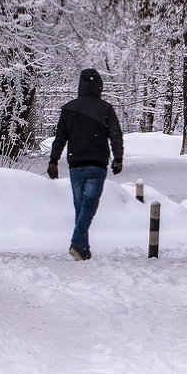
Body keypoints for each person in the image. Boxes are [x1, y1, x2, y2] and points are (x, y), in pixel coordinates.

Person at [47, 68, 124, 260]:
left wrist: (54, 160)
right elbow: (116, 135)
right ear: (99, 86)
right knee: (89, 206)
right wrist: (118, 158)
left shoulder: (69, 109)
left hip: (76, 164)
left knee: (81, 207)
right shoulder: (105, 108)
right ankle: (77, 243)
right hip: (97, 164)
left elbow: (60, 137)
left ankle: (83, 249)